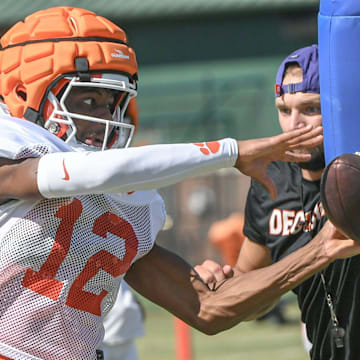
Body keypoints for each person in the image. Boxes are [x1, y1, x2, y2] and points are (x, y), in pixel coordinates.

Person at [0, 8, 358, 360]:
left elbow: (208, 307)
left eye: (113, 103)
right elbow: (64, 174)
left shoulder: (120, 203)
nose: (107, 119)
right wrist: (230, 152)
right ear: (21, 93)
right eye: (90, 100)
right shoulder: (13, 151)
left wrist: (323, 249)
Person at [235, 44, 360, 359]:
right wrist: (219, 284)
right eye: (284, 110)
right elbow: (247, 291)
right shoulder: (271, 183)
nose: (294, 125)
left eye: (310, 108)